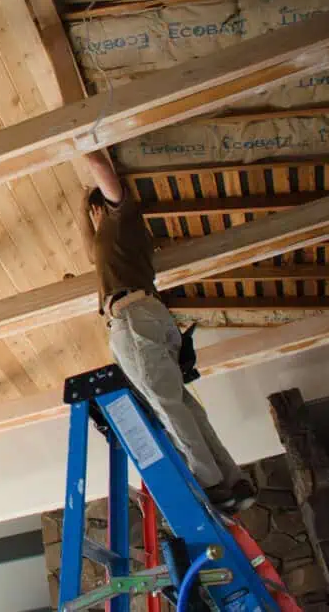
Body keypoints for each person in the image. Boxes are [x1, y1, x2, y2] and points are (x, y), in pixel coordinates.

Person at [77, 152, 256, 513]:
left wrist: (85, 150)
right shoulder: (117, 242)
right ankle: (230, 478)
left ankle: (214, 482)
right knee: (181, 403)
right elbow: (94, 252)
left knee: (169, 404)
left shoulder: (121, 218)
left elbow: (104, 174)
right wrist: (89, 218)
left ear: (100, 209)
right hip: (147, 316)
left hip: (132, 318)